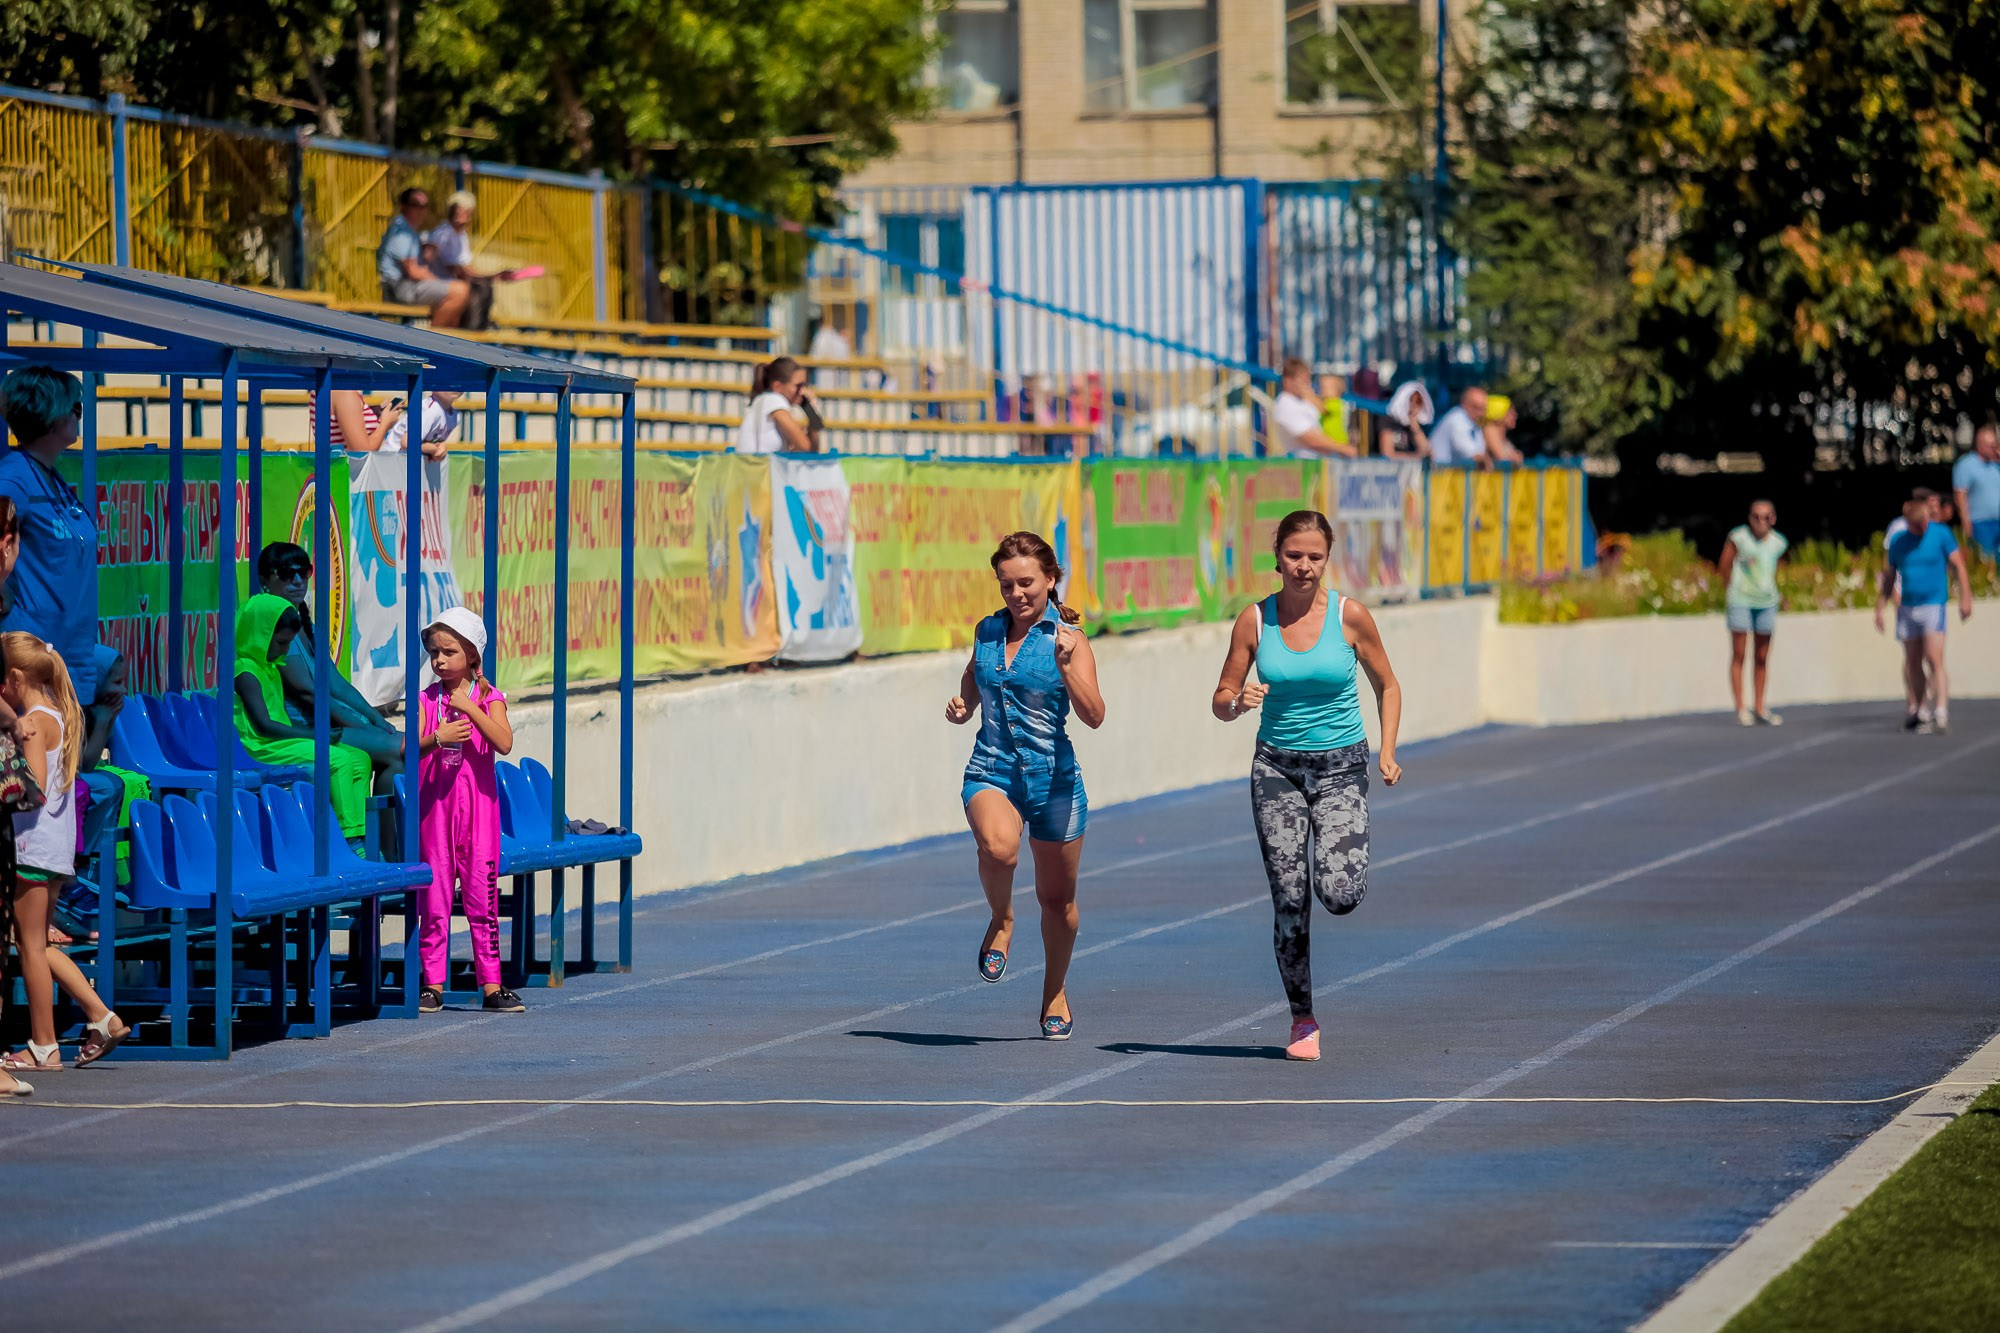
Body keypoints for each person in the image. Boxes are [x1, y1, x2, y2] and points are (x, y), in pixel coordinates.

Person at [1210, 510, 1404, 1063]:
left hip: (1342, 767)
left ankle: (1340, 865)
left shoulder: (1350, 616)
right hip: (1277, 769)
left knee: (1339, 895)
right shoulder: (1255, 620)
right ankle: (1302, 1020)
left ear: (1327, 559)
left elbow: (1388, 685)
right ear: (1278, 556)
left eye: (1315, 557)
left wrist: (1387, 750)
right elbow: (1221, 698)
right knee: (1289, 898)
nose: (1304, 566)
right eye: (1294, 555)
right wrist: (1237, 701)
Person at [946, 532, 1105, 1040]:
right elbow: (975, 673)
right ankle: (1002, 919)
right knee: (998, 848)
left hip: (1054, 782)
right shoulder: (988, 630)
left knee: (1057, 903)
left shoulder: (1070, 639)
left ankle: (1054, 992)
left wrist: (1066, 667)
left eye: (1026, 583)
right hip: (993, 769)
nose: (1016, 594)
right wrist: (965, 703)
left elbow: (1094, 715)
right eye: (1006, 584)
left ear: (1051, 580)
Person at [0, 635, 129, 1074]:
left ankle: (44, 1045)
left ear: (16, 678)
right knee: (35, 942)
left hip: (30, 849)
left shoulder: (33, 723)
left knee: (30, 948)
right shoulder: (58, 715)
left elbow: (31, 787)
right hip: (52, 851)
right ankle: (102, 1017)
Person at [416, 608, 522, 1015]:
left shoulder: (489, 698)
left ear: (472, 656)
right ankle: (432, 983)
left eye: (449, 652)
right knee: (435, 899)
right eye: (434, 653)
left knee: (482, 899)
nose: (439, 661)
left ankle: (492, 985)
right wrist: (437, 736)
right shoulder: (427, 700)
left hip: (479, 816)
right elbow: (408, 750)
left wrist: (470, 708)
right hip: (437, 814)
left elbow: (504, 742)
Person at [232, 593, 374, 842]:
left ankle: (361, 831)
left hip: (278, 743)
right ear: (259, 635)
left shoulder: (270, 667)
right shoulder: (245, 671)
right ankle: (349, 840)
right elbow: (264, 727)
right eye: (281, 643)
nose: (285, 650)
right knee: (338, 760)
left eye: (288, 643)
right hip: (260, 747)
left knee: (360, 759)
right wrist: (315, 735)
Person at [256, 543, 404, 781]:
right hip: (298, 732)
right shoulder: (270, 626)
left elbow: (337, 685)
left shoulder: (305, 625)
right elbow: (307, 692)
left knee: (400, 754)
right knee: (402, 748)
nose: (298, 581)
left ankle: (376, 809)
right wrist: (361, 726)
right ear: (265, 579)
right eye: (286, 573)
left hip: (321, 726)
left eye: (304, 571)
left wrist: (376, 719)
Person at [1878, 491, 1974, 734]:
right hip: (1908, 606)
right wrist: (1880, 606)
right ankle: (1920, 709)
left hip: (1933, 604)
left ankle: (1940, 711)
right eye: (1916, 524)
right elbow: (1890, 576)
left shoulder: (1941, 534)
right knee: (1913, 661)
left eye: (1923, 522)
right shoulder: (1899, 541)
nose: (1921, 527)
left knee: (1934, 657)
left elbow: (1958, 565)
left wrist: (1965, 597)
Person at [1720, 500, 1787, 727]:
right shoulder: (1738, 538)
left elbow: (1774, 570)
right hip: (1741, 600)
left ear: (1773, 518)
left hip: (1766, 602)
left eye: (1766, 517)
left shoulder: (1778, 542)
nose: (1761, 522)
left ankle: (1760, 707)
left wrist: (1778, 594)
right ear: (1749, 518)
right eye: (1756, 517)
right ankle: (1741, 707)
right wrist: (1731, 589)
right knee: (1739, 653)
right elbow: (1724, 565)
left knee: (1762, 656)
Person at [423, 192, 526, 331]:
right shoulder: (443, 233)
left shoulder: (461, 236)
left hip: (452, 284)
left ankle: (477, 329)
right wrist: (493, 275)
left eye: (466, 211)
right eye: (460, 210)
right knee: (478, 289)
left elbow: (468, 268)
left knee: (484, 287)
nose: (463, 215)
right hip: (441, 284)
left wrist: (495, 275)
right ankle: (473, 331)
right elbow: (460, 270)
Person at [378, 187, 471, 327]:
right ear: (403, 207)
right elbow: (414, 271)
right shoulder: (402, 233)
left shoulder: (408, 231)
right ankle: (432, 337)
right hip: (399, 287)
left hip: (406, 285)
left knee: (456, 303)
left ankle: (442, 337)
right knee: (460, 292)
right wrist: (441, 283)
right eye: (416, 205)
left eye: (425, 206)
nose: (421, 210)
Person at [1269, 359, 1356, 459]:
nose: (1307, 384)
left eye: (1308, 379)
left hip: (1319, 460)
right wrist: (1343, 448)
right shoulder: (1286, 404)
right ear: (1288, 381)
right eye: (1302, 380)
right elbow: (1310, 438)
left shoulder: (1304, 400)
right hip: (1302, 463)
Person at [736, 356, 816, 454]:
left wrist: (812, 414)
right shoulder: (774, 400)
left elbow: (812, 451)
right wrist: (811, 411)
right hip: (757, 463)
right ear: (777, 386)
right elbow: (805, 447)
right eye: (798, 386)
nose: (802, 392)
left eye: (805, 385)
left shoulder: (765, 400)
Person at [307, 388, 406, 454]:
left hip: (335, 469)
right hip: (348, 475)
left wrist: (375, 412)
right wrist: (385, 423)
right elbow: (362, 451)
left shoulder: (328, 387)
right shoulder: (344, 392)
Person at [1952, 424, 2000, 560]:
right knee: (1986, 560)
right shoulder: (1966, 464)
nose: (1994, 449)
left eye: (1995, 445)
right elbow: (1960, 496)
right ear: (1980, 445)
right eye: (1990, 446)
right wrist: (1965, 521)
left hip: (1998, 520)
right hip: (1979, 523)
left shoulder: (1996, 465)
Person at [380, 390, 460, 458]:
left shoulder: (456, 416)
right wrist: (429, 448)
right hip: (392, 457)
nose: (454, 386)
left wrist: (439, 446)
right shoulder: (430, 410)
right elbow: (407, 443)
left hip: (406, 460)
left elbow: (434, 439)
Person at [1430, 386, 1494, 468]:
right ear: (1464, 404)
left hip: (1448, 473)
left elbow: (1480, 452)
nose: (1481, 413)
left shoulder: (1474, 423)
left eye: (1483, 408)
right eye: (1476, 407)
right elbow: (1471, 454)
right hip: (1436, 473)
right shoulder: (1456, 419)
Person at [1379, 381, 1433, 459]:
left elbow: (1427, 451)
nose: (1413, 406)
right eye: (1411, 400)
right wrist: (1415, 457)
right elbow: (1387, 454)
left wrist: (1415, 427)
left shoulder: (1413, 422)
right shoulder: (1388, 419)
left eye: (1418, 402)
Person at [1482, 394, 1526, 464]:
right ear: (1498, 413)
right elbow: (1502, 459)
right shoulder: (1490, 430)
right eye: (1510, 412)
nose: (1515, 415)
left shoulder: (1501, 435)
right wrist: (1514, 457)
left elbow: (1515, 458)